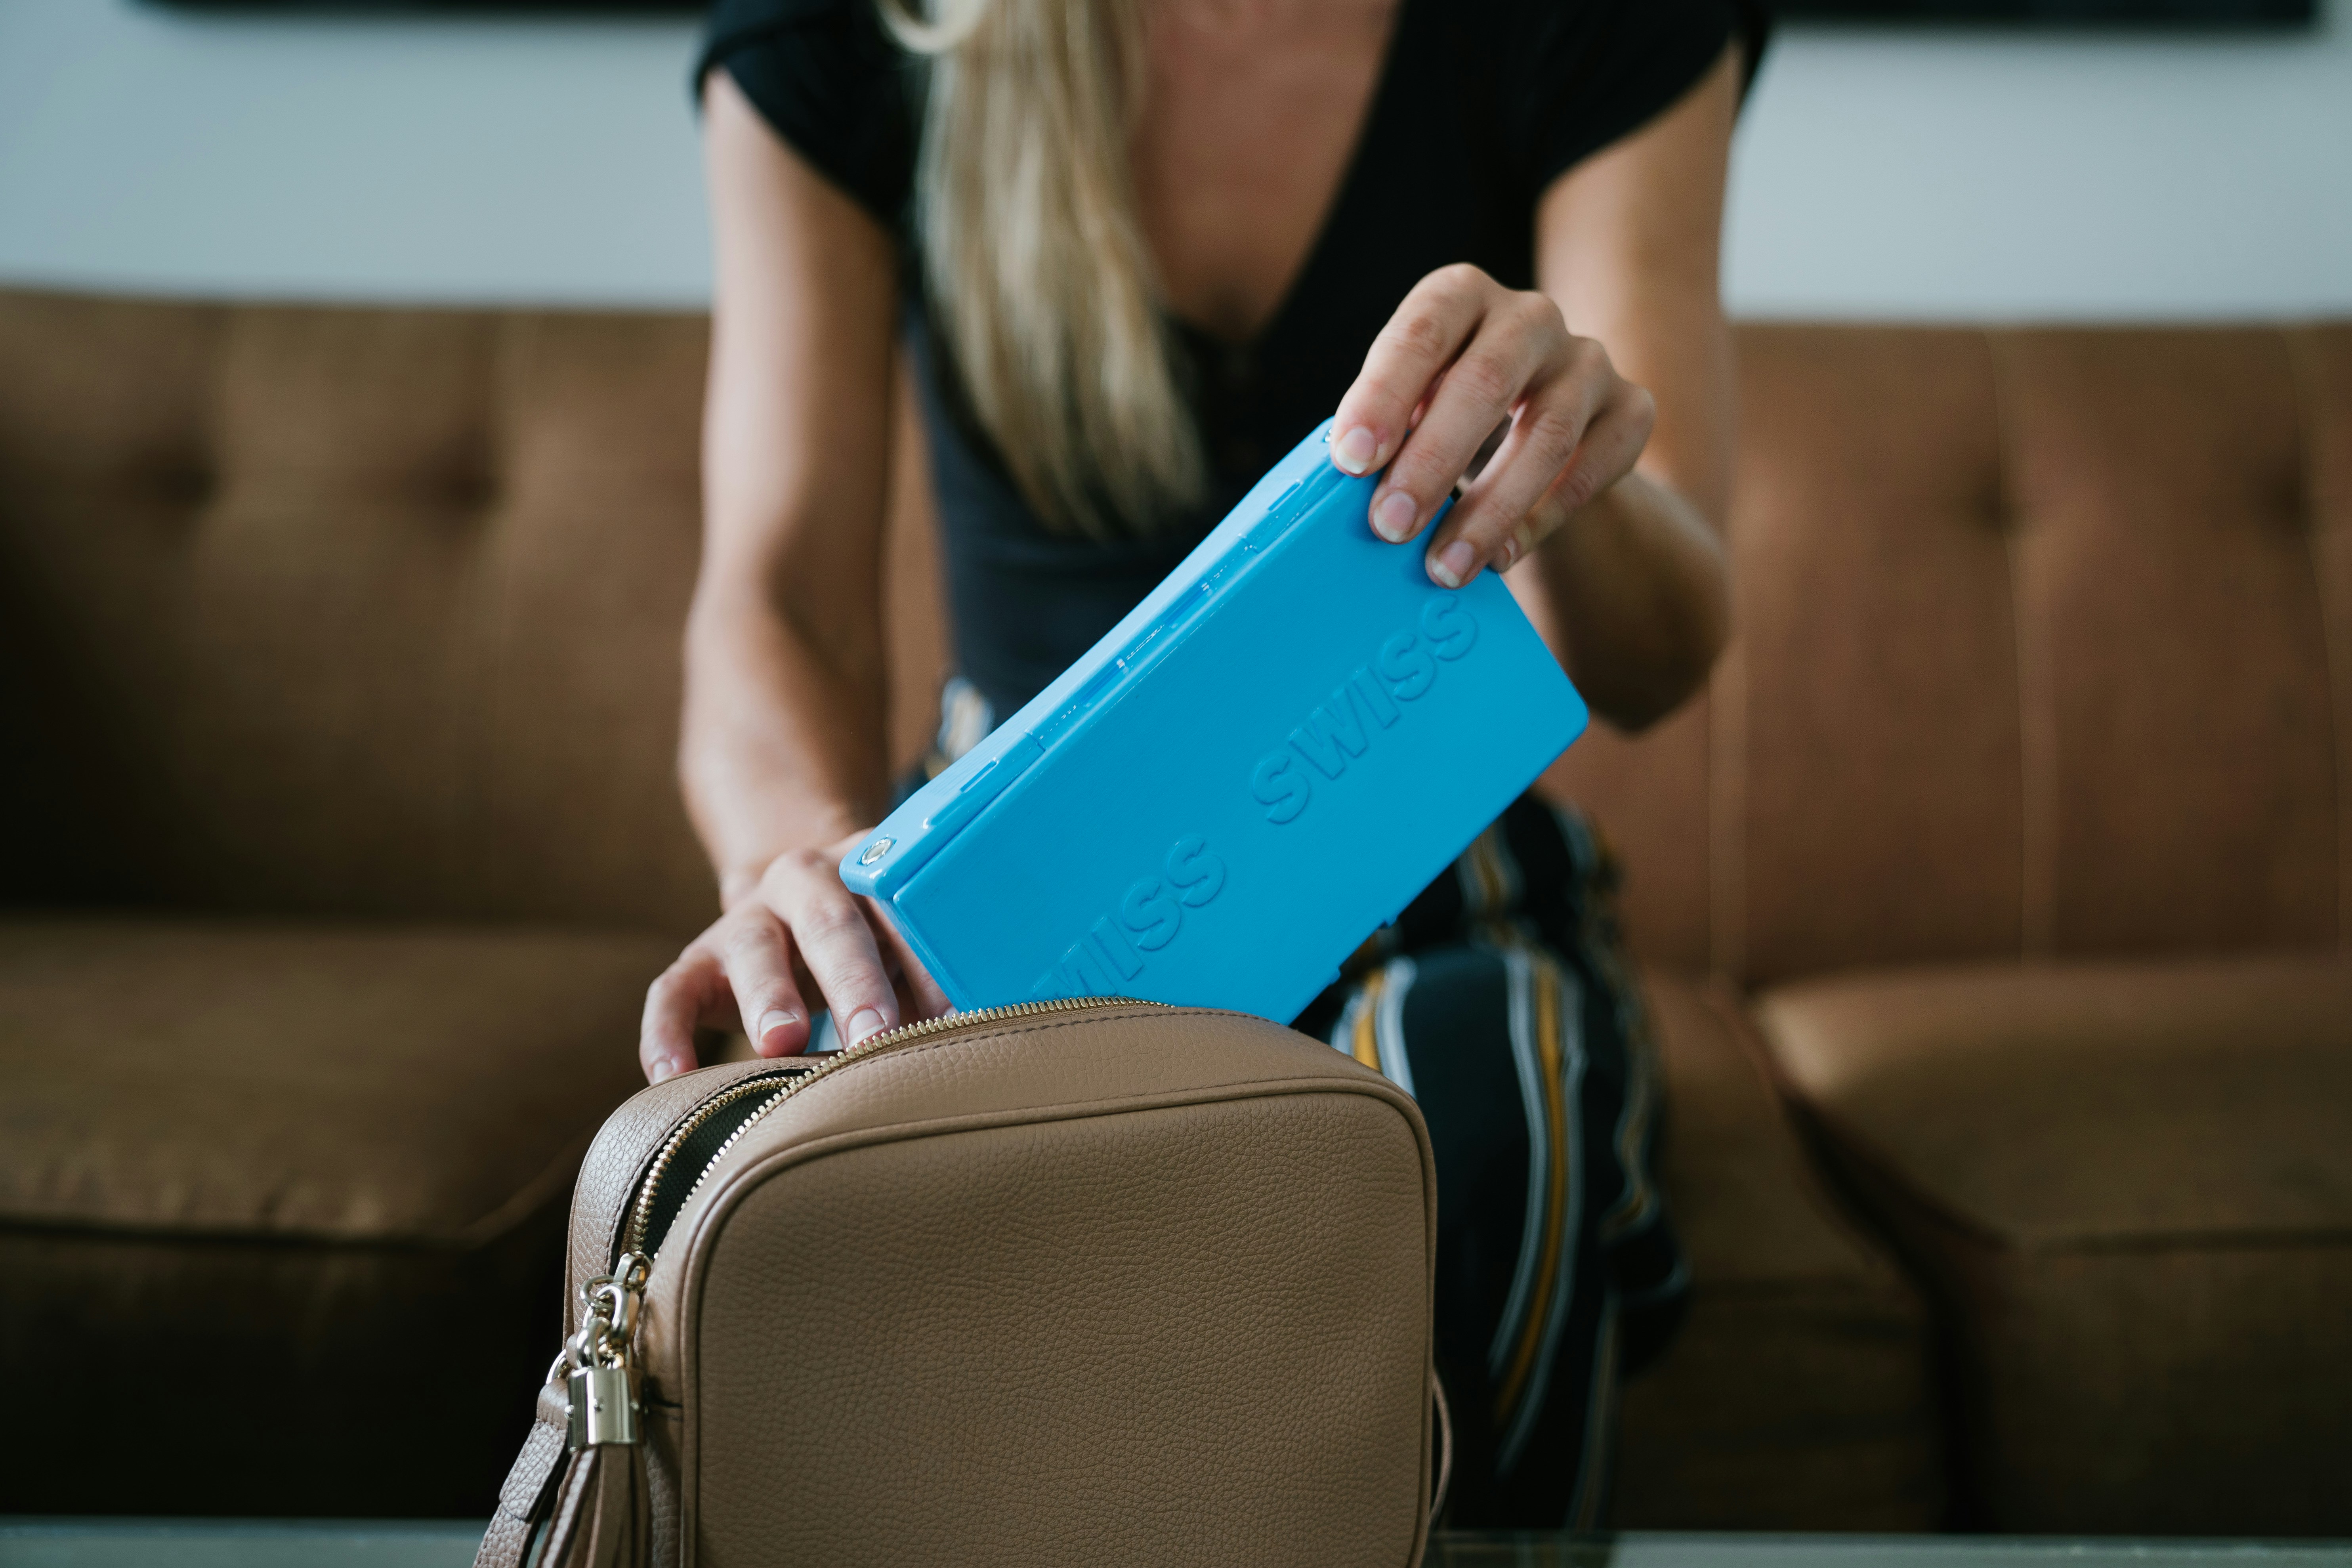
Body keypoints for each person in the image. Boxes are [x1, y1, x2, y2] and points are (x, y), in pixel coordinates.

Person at [645, 0, 1760, 1526]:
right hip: (1013, 887)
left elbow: (1664, 653)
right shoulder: (839, 34)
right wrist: (800, 862)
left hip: (1432, 862)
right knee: (908, 1185)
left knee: (1492, 1101)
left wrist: (1580, 464)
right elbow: (773, 596)